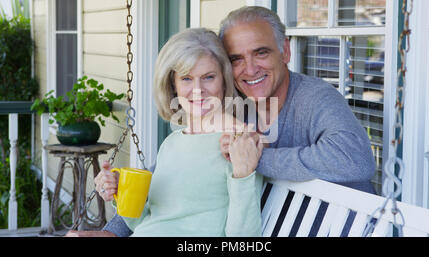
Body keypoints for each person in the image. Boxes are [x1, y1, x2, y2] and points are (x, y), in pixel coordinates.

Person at [71, 6, 376, 237]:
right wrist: (113, 230)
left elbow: (355, 160)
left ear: (285, 51)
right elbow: (175, 174)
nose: (249, 68)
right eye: (236, 59)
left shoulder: (314, 98)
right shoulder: (235, 103)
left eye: (260, 52)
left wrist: (254, 158)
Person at [66, 28, 263, 237]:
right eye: (186, 79)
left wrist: (243, 174)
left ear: (224, 80)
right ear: (173, 85)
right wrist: (119, 190)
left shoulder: (237, 142)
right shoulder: (172, 143)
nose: (197, 89)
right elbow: (144, 222)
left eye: (208, 77)